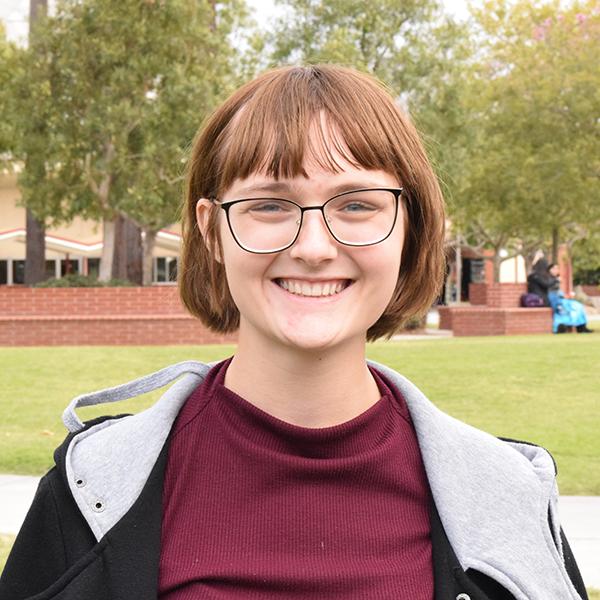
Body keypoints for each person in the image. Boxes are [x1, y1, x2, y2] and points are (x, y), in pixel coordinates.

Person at [0, 66, 588, 600]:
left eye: (357, 205)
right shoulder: (89, 493)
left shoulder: (508, 497)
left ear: (410, 228)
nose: (312, 247)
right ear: (211, 232)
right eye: (270, 205)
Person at [547, 263, 593, 334]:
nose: (556, 270)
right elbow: (551, 291)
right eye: (554, 268)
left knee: (578, 306)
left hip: (561, 299)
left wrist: (567, 295)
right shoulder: (549, 279)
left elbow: (560, 293)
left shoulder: (556, 279)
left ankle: (581, 326)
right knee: (568, 310)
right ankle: (561, 327)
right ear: (550, 270)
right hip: (556, 301)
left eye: (557, 268)